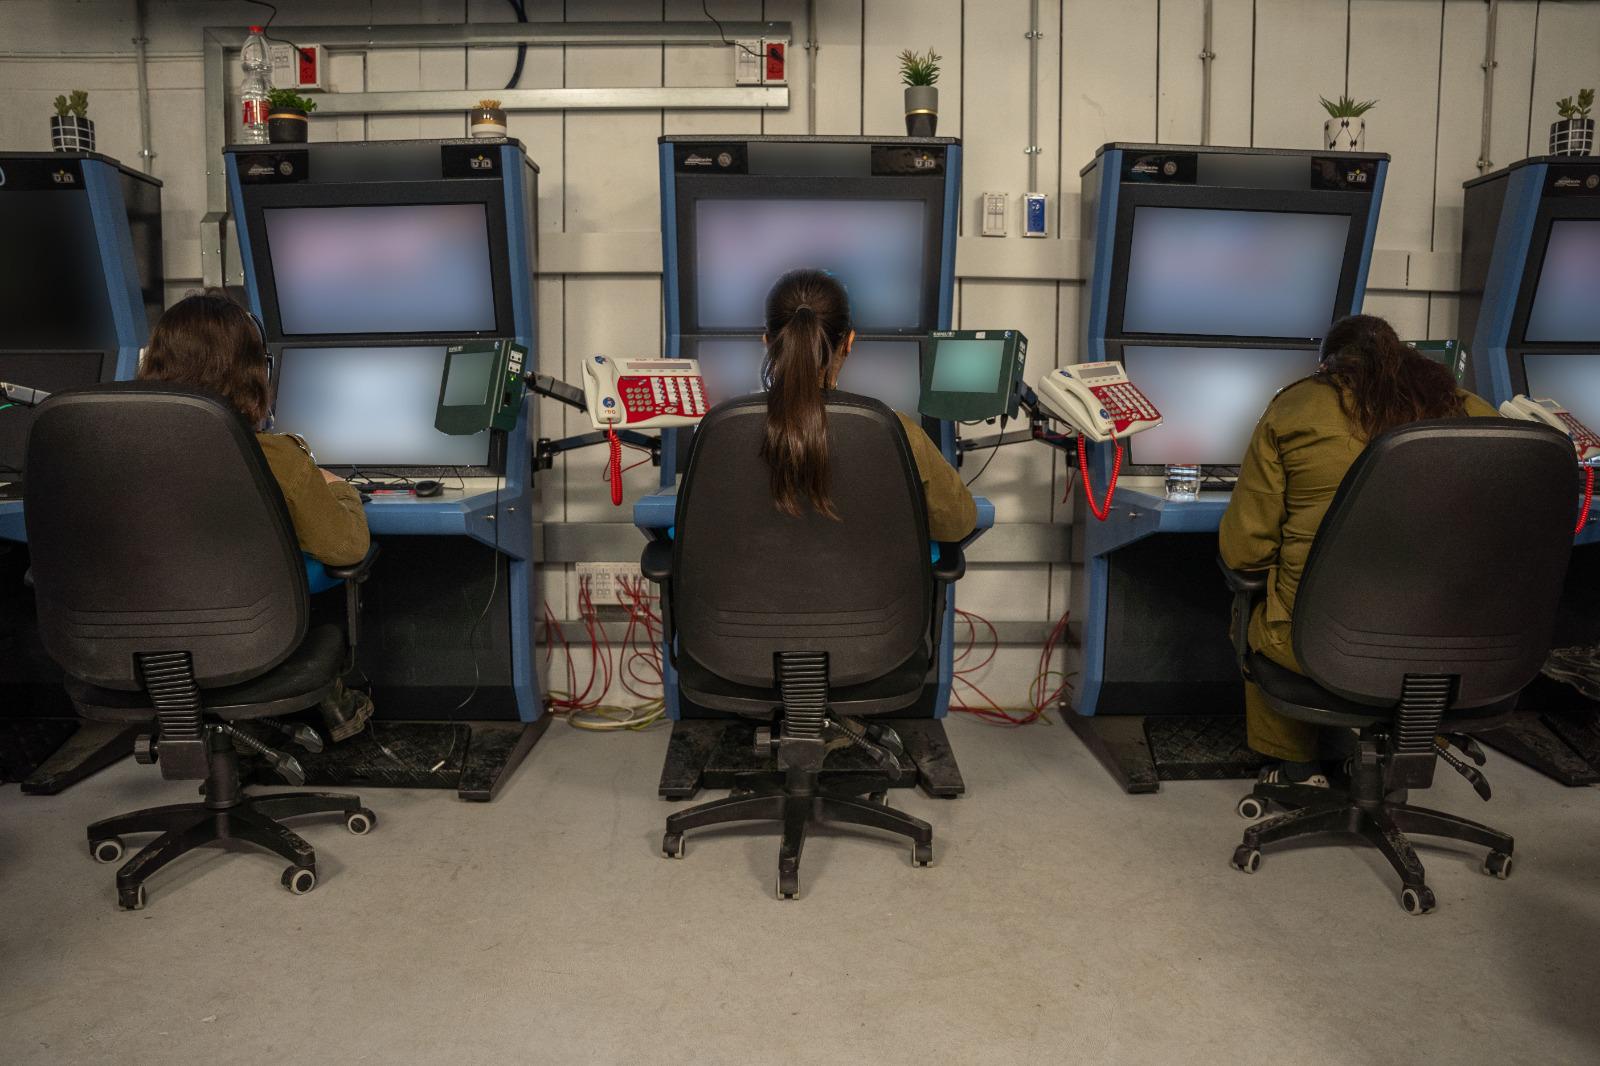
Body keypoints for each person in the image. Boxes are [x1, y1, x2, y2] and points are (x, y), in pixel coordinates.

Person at [1218, 314, 1500, 786]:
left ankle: (1295, 767)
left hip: (1323, 647)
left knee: (1256, 604)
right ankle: (1405, 746)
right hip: (1463, 653)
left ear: (1329, 367)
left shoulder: (1296, 408)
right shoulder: (1476, 412)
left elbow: (1246, 550)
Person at [137, 289, 375, 741]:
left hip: (136, 657)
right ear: (254, 372)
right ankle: (335, 704)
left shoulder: (115, 452)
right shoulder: (273, 456)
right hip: (249, 643)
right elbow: (346, 546)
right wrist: (338, 488)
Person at [759, 268, 976, 542]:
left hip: (746, 586)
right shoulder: (896, 432)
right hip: (869, 586)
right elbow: (957, 524)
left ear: (767, 343)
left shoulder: (722, 432)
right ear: (849, 343)